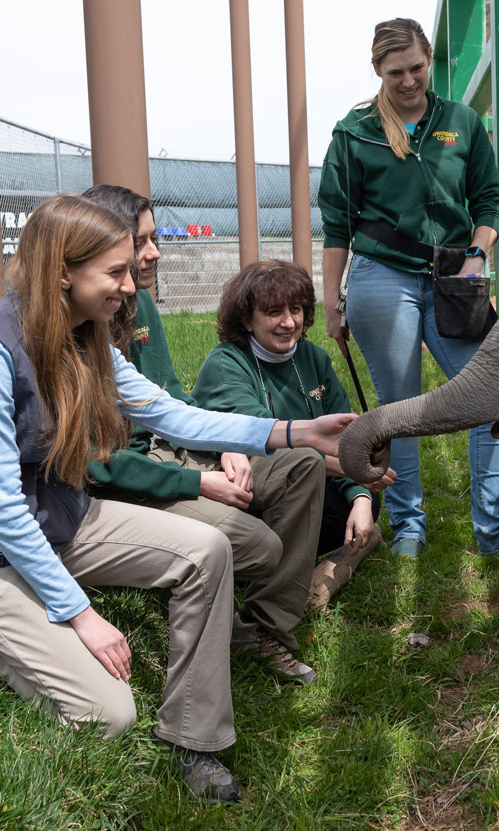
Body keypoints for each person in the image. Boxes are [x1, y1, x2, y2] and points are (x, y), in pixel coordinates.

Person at [0, 194, 354, 803]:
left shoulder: (85, 336)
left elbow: (172, 415)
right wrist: (82, 616)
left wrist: (294, 432)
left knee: (208, 550)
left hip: (61, 520)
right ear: (63, 271)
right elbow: (1, 509)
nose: (128, 284)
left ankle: (194, 737)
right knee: (106, 715)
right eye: (114, 272)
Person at [317, 17, 499, 559]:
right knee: (398, 406)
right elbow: (337, 226)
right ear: (378, 70)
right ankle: (408, 527)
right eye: (396, 71)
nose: (409, 81)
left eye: (418, 68)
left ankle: (497, 530)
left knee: (492, 394)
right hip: (381, 276)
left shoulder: (461, 121)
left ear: (430, 61)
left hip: (455, 275)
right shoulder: (354, 131)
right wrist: (331, 301)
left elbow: (491, 200)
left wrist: (478, 256)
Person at [82, 185, 324, 686]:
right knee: (256, 544)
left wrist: (228, 446)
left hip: (172, 450)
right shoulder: (75, 331)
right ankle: (225, 623)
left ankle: (267, 627)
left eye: (152, 240)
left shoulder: (139, 305)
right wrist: (197, 484)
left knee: (303, 466)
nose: (153, 252)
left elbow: (170, 402)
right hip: (129, 478)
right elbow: (98, 462)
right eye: (140, 242)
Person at [192, 260, 395, 567]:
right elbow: (261, 446)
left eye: (296, 310)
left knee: (359, 501)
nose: (288, 322)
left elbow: (346, 438)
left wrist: (362, 498)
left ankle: (299, 551)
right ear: (247, 320)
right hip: (246, 492)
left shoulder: (314, 357)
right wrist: (354, 470)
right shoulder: (226, 364)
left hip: (306, 480)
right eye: (274, 312)